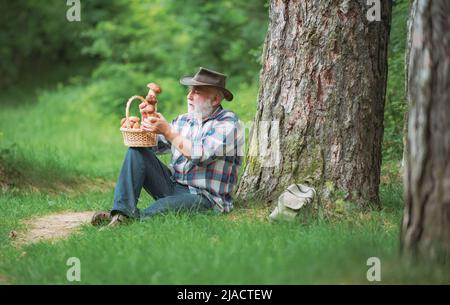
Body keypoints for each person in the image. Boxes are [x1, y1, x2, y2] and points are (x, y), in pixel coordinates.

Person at [91, 67, 244, 227]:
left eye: (197, 92)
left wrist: (168, 130)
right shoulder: (184, 120)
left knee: (164, 207)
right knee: (137, 152)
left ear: (215, 100)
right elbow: (152, 145)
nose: (189, 96)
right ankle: (121, 212)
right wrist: (144, 125)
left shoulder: (228, 123)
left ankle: (129, 219)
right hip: (173, 185)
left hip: (206, 198)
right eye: (190, 90)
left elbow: (201, 155)